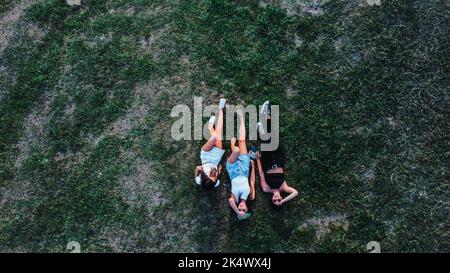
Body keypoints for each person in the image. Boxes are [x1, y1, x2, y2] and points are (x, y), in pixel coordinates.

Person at [255, 101, 298, 206]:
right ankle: (265, 117)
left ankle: (263, 122)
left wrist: (257, 160)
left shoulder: (267, 189)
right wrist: (283, 202)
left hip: (267, 161)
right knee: (273, 138)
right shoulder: (284, 187)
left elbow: (261, 174)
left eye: (274, 201)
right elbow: (295, 193)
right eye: (279, 200)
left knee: (267, 141)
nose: (276, 199)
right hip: (278, 160)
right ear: (282, 197)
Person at [226, 109, 255, 219]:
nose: (241, 207)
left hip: (232, 170)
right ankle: (241, 118)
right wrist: (253, 167)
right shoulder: (250, 196)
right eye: (244, 210)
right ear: (247, 208)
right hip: (245, 169)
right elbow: (252, 181)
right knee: (242, 141)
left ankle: (233, 147)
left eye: (240, 209)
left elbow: (230, 201)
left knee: (237, 150)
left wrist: (238, 213)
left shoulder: (235, 199)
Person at [194, 98, 226, 190]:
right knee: (218, 133)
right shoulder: (216, 183)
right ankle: (220, 109)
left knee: (215, 137)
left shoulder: (199, 180)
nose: (213, 177)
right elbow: (220, 167)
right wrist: (218, 171)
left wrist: (202, 170)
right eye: (214, 179)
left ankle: (210, 127)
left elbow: (197, 168)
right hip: (216, 158)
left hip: (206, 156)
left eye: (209, 177)